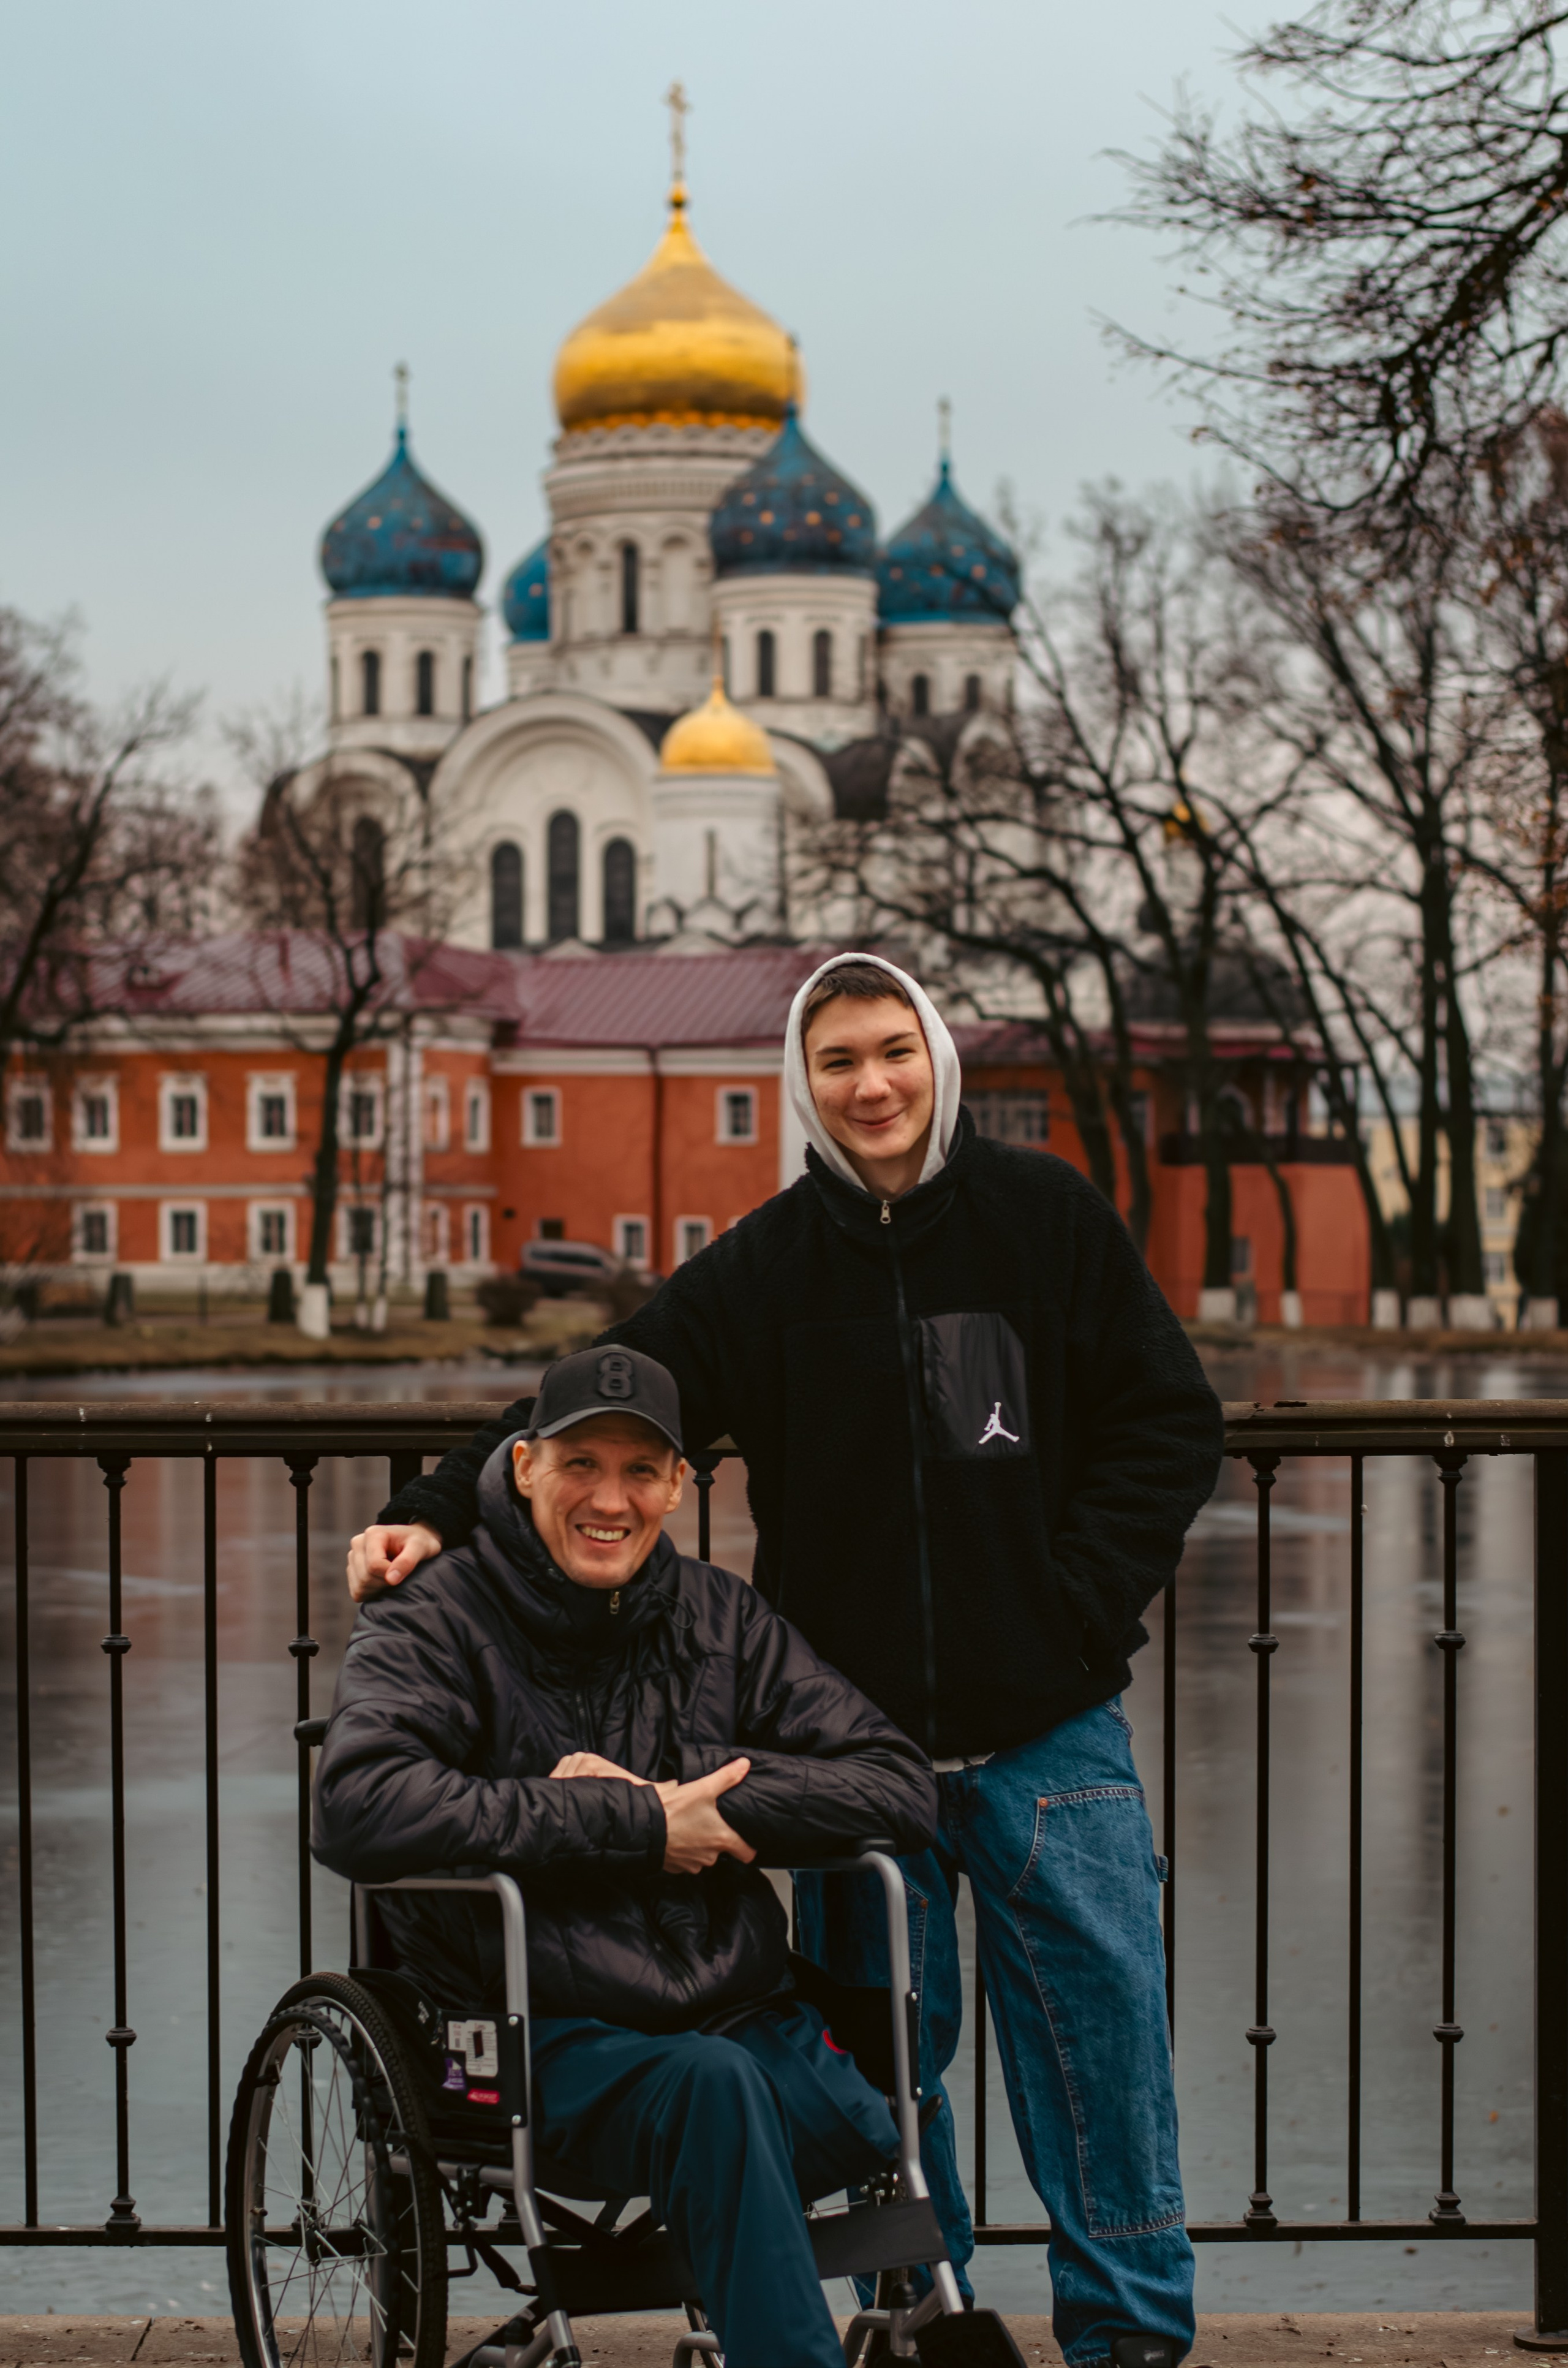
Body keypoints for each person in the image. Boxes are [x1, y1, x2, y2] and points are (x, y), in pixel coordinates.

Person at [347, 951, 1224, 2368]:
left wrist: (1065, 1607)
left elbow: (1168, 1424)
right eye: (837, 1063)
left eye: (893, 1050)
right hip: (843, 1750)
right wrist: (431, 1504)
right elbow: (597, 1390)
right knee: (882, 2063)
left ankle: (1127, 2340)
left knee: (1099, 2052)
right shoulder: (769, 1263)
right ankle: (912, 2312)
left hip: (1048, 1729)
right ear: (802, 1088)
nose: (870, 1084)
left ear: (935, 1056)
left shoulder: (1040, 1218)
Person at [314, 1342, 938, 2368]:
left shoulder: (719, 1616)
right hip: (536, 2036)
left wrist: (717, 1801)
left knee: (870, 2104)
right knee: (716, 2089)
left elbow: (898, 1781)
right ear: (523, 1466)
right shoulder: (434, 1612)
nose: (612, 1499)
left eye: (642, 1470)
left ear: (679, 1487)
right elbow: (356, 1804)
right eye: (581, 1465)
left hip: (733, 2010)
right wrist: (636, 1824)